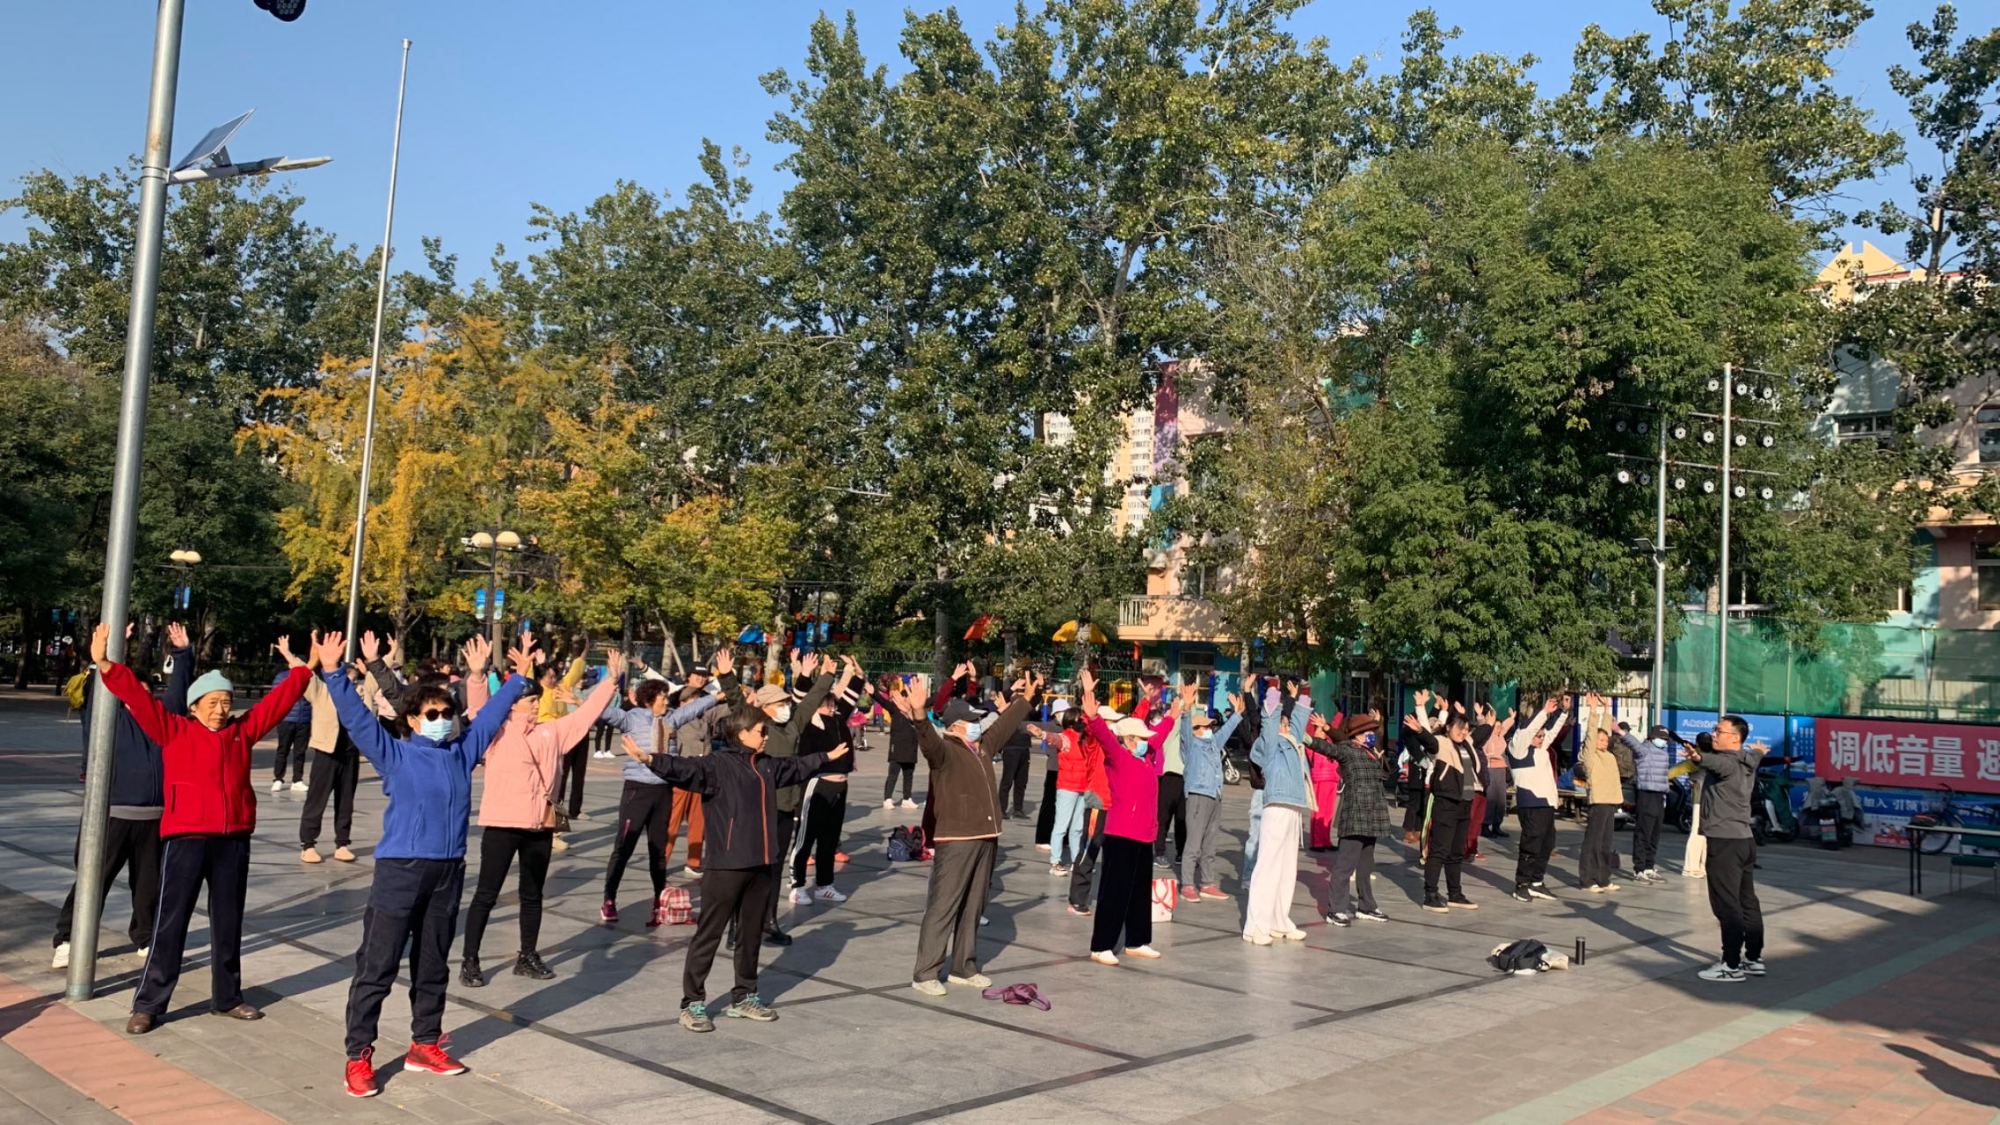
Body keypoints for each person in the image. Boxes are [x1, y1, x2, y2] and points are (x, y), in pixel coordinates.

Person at [321, 629, 532, 1099]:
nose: (441, 720)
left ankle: (425, 1043)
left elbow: (490, 717)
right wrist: (334, 673)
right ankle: (358, 1055)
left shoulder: (462, 753)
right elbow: (357, 721)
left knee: (433, 963)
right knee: (378, 965)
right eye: (431, 714)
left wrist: (516, 678)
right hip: (400, 871)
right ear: (414, 720)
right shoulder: (395, 754)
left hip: (447, 872)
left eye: (447, 714)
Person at [91, 623, 312, 1035]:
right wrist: (106, 664)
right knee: (169, 923)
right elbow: (139, 699)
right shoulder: (174, 730)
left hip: (233, 840)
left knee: (228, 922)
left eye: (226, 702)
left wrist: (302, 670)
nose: (220, 709)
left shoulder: (241, 733)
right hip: (186, 839)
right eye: (212, 702)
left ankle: (227, 997)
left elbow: (275, 704)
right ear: (193, 707)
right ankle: (149, 1003)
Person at [624, 707, 849, 1030]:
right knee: (709, 933)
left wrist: (825, 757)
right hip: (727, 865)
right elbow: (684, 768)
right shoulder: (717, 765)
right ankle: (692, 1002)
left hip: (762, 863)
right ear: (742, 733)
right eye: (761, 731)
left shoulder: (766, 765)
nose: (766, 736)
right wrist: (650, 760)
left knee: (750, 934)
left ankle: (744, 996)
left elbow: (796, 766)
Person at [461, 644, 628, 987]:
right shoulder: (497, 731)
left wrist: (611, 682)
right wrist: (477, 675)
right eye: (530, 700)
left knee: (532, 893)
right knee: (486, 894)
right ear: (513, 703)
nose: (537, 704)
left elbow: (585, 716)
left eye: (538, 699)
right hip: (502, 825)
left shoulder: (551, 732)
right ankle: (470, 960)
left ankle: (527, 955)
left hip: (540, 826)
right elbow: (479, 709)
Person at [52, 623, 189, 971]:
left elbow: (178, 693)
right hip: (111, 814)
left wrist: (183, 653)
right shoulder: (107, 719)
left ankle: (145, 937)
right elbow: (100, 687)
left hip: (154, 818)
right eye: (132, 692)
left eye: (146, 693)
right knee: (93, 879)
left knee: (148, 885)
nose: (140, 698)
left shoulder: (163, 722)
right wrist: (110, 652)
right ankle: (68, 938)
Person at [898, 671, 1036, 994]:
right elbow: (927, 741)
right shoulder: (945, 750)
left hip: (986, 835)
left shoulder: (982, 746)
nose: (977, 725)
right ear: (955, 725)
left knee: (974, 905)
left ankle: (964, 966)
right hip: (957, 839)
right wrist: (919, 714)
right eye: (971, 721)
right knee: (944, 905)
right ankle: (925, 973)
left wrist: (1026, 700)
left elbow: (1003, 725)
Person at [596, 659, 729, 922]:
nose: (667, 701)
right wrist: (603, 686)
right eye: (663, 698)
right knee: (624, 847)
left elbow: (693, 709)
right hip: (637, 791)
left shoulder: (671, 719)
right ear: (649, 700)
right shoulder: (631, 719)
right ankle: (609, 899)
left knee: (658, 849)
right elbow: (602, 711)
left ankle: (659, 899)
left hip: (663, 791)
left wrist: (716, 697)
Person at [1079, 668, 1176, 965]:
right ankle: (1101, 945)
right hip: (1121, 834)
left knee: (1138, 892)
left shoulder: (1146, 757)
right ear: (1129, 740)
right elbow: (1105, 736)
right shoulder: (1119, 757)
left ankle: (1137, 940)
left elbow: (1160, 734)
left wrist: (1175, 713)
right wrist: (1092, 711)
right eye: (1141, 738)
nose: (1148, 741)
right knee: (1115, 891)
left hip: (1144, 834)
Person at [741, 651, 837, 948]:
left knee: (775, 865)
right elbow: (735, 705)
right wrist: (728, 678)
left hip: (785, 807)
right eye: (779, 703)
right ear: (764, 708)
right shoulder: (755, 729)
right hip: (757, 806)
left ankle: (770, 920)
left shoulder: (792, 724)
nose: (785, 707)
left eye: (785, 702)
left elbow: (809, 702)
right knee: (749, 867)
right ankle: (739, 926)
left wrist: (827, 676)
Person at [1691, 716, 1767, 982]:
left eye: (1719, 731)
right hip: (1744, 840)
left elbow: (1713, 763)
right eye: (1715, 730)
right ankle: (1753, 958)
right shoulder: (1749, 759)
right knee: (1747, 901)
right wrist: (1759, 751)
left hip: (1725, 842)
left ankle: (1731, 964)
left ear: (1735, 738)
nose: (1714, 734)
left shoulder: (1727, 762)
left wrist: (1698, 757)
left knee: (1727, 904)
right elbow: (1755, 754)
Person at [789, 656, 865, 904]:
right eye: (829, 703)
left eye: (833, 703)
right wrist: (806, 674)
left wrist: (856, 675)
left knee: (829, 838)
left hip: (840, 786)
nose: (833, 706)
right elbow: (801, 699)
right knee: (805, 837)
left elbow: (851, 695)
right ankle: (797, 885)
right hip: (817, 784)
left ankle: (824, 884)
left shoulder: (838, 718)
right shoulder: (808, 721)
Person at [1311, 712, 1391, 926]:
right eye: (1367, 732)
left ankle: (1367, 906)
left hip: (1372, 814)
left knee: (1366, 865)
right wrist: (1309, 738)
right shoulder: (1347, 749)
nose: (1371, 735)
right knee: (1345, 865)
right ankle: (1336, 909)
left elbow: (1385, 773)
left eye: (1373, 731)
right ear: (1357, 735)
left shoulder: (1371, 752)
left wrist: (1379, 755)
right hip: (1355, 814)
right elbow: (1328, 748)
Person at [1244, 685, 1311, 945]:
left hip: (1293, 807)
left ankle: (1279, 920)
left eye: (1286, 723)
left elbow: (1299, 721)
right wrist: (1273, 692)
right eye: (1282, 723)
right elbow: (1269, 720)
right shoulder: (1269, 744)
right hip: (1276, 805)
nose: (1286, 726)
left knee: (1286, 869)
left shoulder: (1293, 742)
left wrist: (1304, 692)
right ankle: (1255, 926)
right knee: (1268, 867)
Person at [1407, 692, 1481, 913]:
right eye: (1459, 727)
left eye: (1466, 729)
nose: (1463, 732)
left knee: (1456, 852)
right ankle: (1430, 894)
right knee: (1439, 850)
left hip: (1464, 802)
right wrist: (1420, 717)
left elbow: (1483, 733)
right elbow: (1428, 740)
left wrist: (1478, 718)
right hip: (1446, 803)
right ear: (1448, 727)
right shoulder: (1442, 743)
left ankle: (1455, 893)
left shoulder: (1466, 745)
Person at [1176, 684, 1244, 903]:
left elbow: (1226, 731)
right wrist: (1187, 708)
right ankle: (1188, 884)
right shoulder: (1191, 745)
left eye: (1210, 726)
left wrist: (1237, 714)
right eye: (1205, 726)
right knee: (1194, 843)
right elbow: (1185, 730)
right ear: (1196, 729)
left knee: (1210, 843)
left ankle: (1207, 883)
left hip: (1215, 795)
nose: (1209, 729)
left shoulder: (1213, 743)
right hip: (1198, 795)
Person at [298, 654, 365, 865]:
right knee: (316, 800)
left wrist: (385, 656)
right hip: (326, 753)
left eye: (354, 680)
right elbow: (305, 676)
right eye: (348, 679)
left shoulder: (360, 694)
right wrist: (293, 656)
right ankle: (308, 844)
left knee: (346, 801)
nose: (351, 684)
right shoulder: (322, 692)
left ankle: (342, 843)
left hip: (350, 754)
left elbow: (377, 680)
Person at [1505, 697, 1568, 902]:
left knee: (1547, 844)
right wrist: (1544, 712)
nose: (1542, 738)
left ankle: (1536, 882)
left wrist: (1563, 712)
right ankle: (1522, 884)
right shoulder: (1517, 748)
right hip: (1531, 803)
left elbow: (1552, 731)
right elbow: (1527, 731)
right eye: (1538, 735)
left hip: (1546, 803)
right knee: (1531, 845)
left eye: (1542, 736)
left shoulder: (1540, 749)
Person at [1575, 693, 1624, 894]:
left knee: (1605, 844)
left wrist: (1607, 708)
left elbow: (1605, 730)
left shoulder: (1608, 755)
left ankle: (1603, 879)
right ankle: (1587, 879)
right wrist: (1593, 710)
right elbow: (1591, 733)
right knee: (1593, 843)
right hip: (1598, 802)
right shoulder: (1590, 756)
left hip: (1611, 801)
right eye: (1600, 740)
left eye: (1605, 740)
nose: (1604, 741)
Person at [1622, 721, 1673, 882]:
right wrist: (1621, 732)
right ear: (1652, 737)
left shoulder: (1664, 754)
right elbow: (1633, 743)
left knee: (1655, 834)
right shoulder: (1644, 750)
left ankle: (1649, 867)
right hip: (1646, 794)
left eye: (1665, 739)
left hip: (1659, 795)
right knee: (1643, 832)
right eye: (1661, 738)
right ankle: (1639, 869)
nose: (1664, 741)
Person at [1048, 701, 1089, 875]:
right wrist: (1042, 734)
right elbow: (1054, 738)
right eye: (1080, 719)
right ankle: (1055, 862)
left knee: (1077, 828)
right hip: (1067, 787)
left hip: (1083, 786)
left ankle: (1076, 860)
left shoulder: (1085, 737)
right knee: (1061, 826)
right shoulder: (1065, 737)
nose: (1083, 721)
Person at [270, 663, 313, 793]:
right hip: (286, 719)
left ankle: (297, 780)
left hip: (304, 719)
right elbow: (276, 695)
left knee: (300, 751)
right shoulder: (282, 677)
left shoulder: (310, 676)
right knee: (283, 749)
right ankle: (278, 779)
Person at [880, 674, 921, 808]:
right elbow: (882, 701)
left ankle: (907, 798)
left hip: (911, 748)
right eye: (907, 698)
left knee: (908, 774)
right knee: (893, 774)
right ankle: (887, 798)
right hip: (897, 747)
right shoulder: (894, 709)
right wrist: (873, 692)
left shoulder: (915, 713)